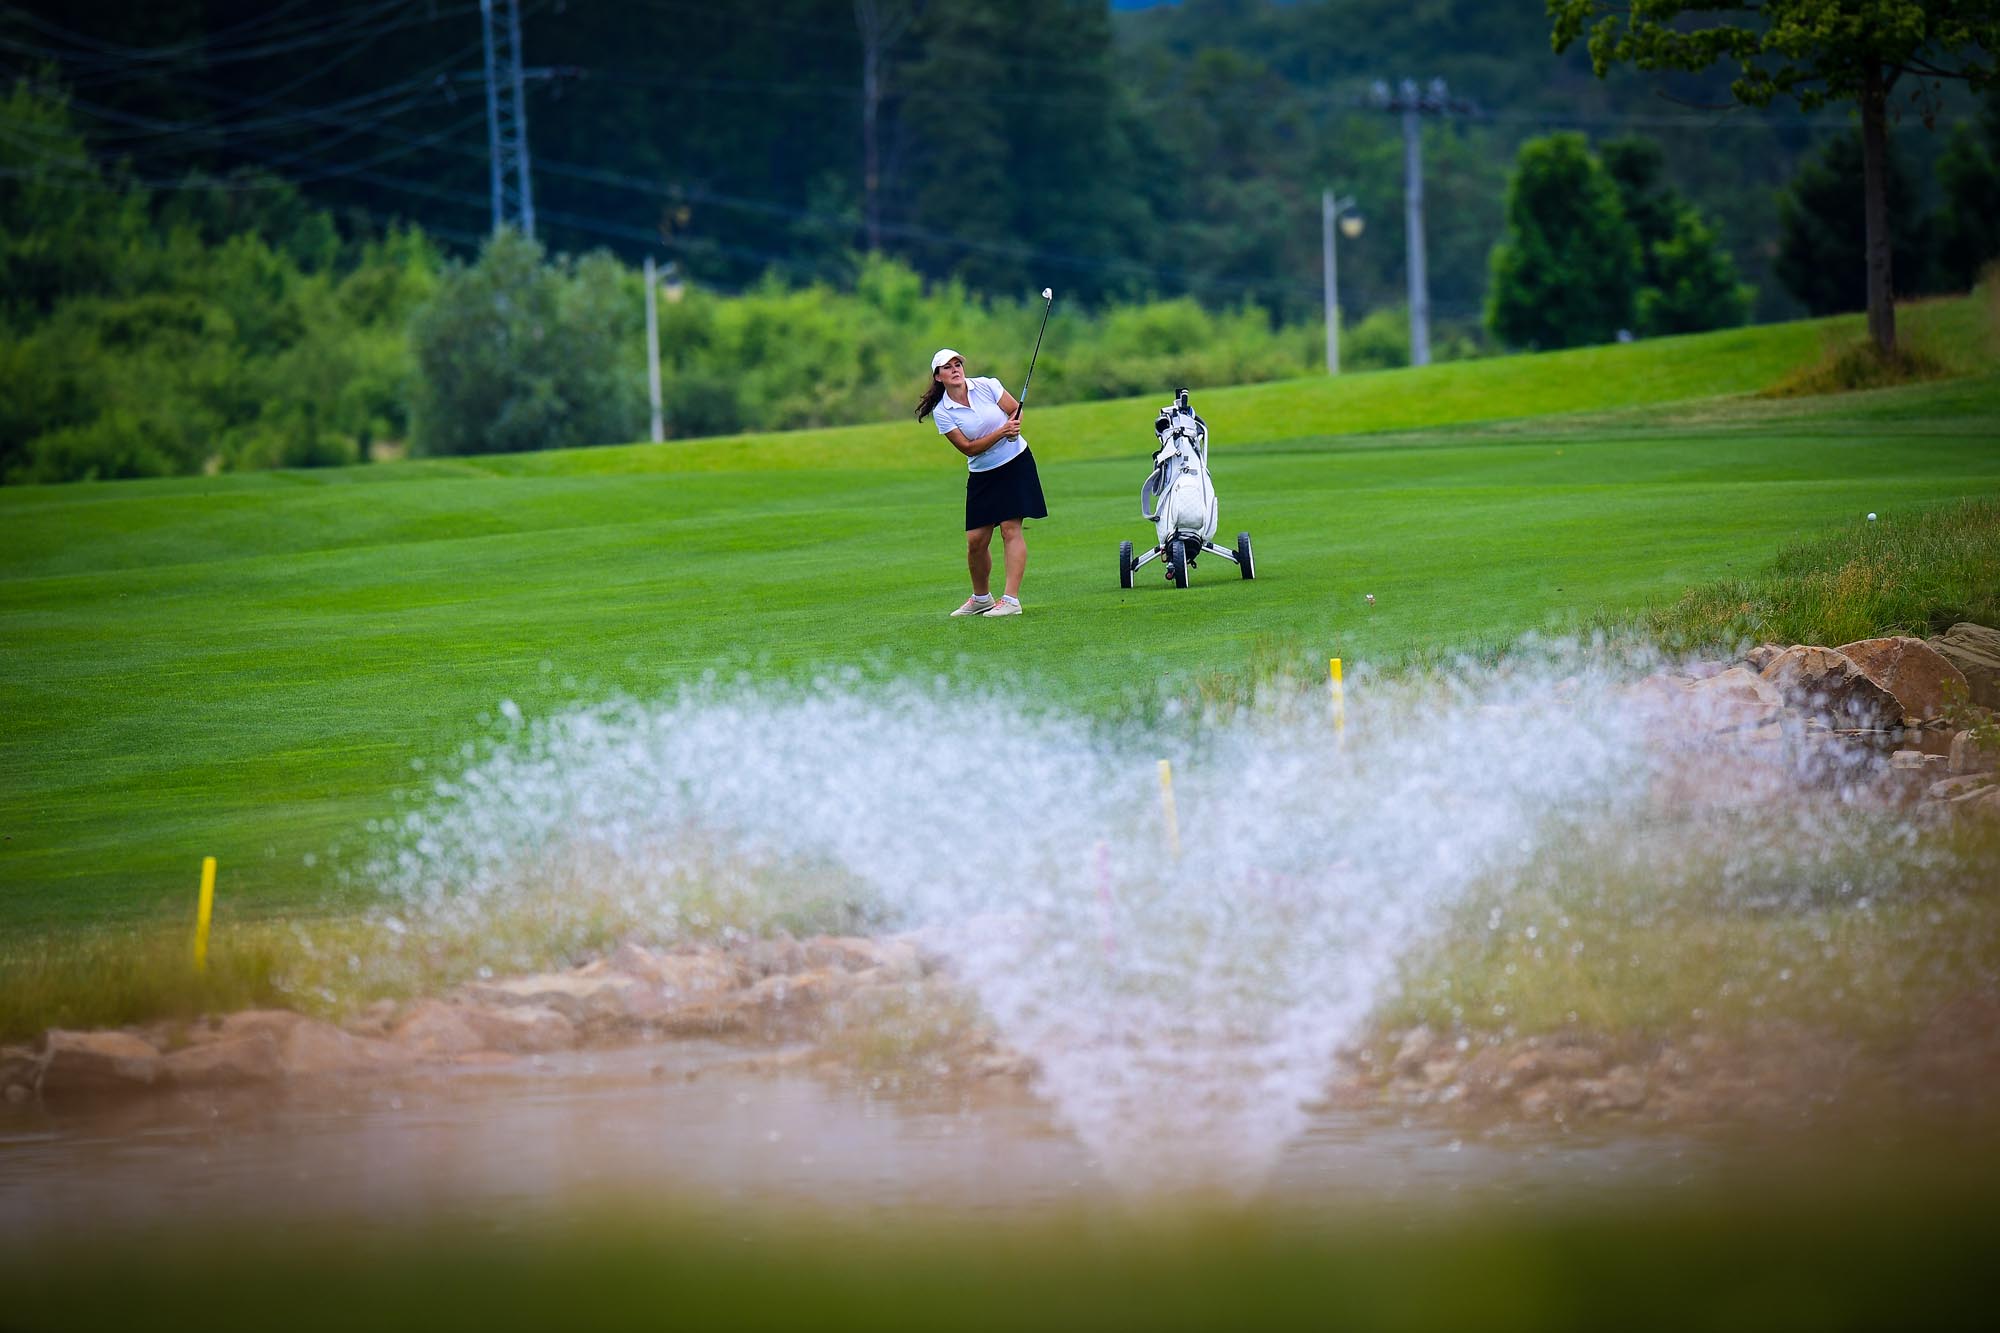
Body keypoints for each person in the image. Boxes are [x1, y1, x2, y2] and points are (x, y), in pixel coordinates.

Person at [916, 348, 1049, 617]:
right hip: (982, 474)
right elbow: (968, 448)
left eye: (958, 364)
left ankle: (1011, 600)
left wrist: (1014, 428)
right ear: (938, 376)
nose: (955, 369)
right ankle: (981, 599)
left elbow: (1015, 411)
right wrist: (1002, 432)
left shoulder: (988, 385)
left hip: (1015, 463)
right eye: (947, 367)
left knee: (1010, 529)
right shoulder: (943, 412)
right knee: (976, 541)